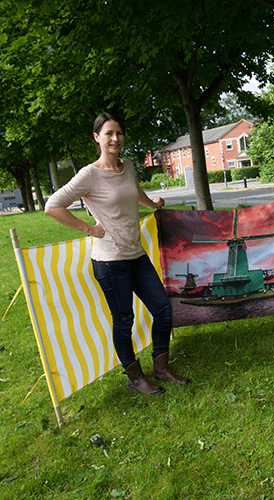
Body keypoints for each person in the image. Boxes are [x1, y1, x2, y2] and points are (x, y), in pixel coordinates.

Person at [45, 112, 190, 395]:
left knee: (162, 309)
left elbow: (134, 191)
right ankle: (135, 377)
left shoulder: (129, 166)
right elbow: (53, 205)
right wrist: (89, 228)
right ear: (97, 137)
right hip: (110, 262)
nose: (115, 138)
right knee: (124, 320)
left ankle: (161, 368)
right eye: (109, 133)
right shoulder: (89, 174)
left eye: (119, 133)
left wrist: (152, 204)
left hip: (136, 255)